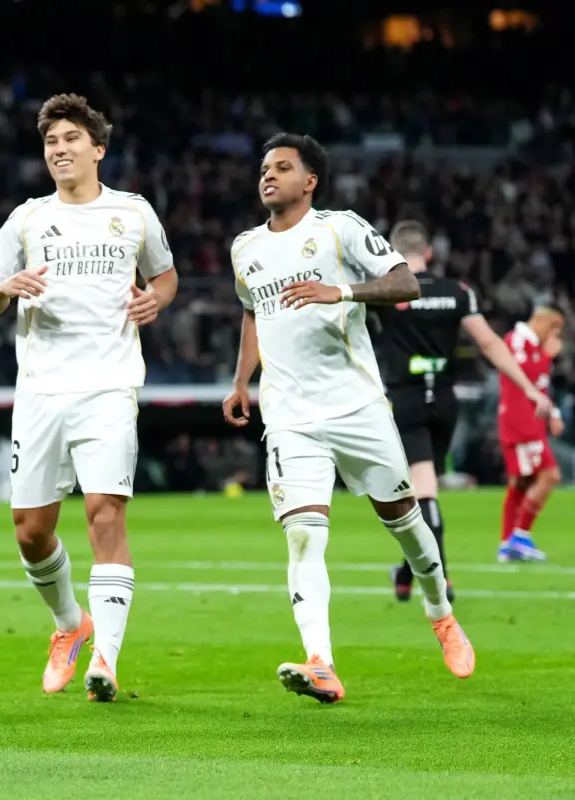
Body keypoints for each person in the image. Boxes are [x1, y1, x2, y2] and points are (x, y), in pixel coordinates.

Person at [222, 133, 475, 704]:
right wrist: (241, 381)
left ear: (309, 180)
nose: (269, 176)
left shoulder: (341, 228)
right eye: (265, 168)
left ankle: (440, 613)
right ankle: (321, 662)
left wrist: (338, 292)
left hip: (356, 406)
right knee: (304, 536)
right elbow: (251, 312)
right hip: (288, 415)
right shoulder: (245, 248)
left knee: (407, 522)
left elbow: (405, 282)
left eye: (282, 167)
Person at [0, 94, 178, 703]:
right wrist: (5, 287)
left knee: (105, 517)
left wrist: (157, 300)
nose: (58, 150)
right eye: (50, 142)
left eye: (69, 139)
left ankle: (107, 662)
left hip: (110, 385)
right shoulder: (27, 218)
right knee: (31, 530)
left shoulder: (134, 213)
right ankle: (71, 623)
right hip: (39, 389)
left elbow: (165, 275)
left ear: (98, 148)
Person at [368, 220, 554, 600]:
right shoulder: (458, 292)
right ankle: (404, 576)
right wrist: (530, 389)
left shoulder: (386, 292)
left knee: (422, 494)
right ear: (430, 253)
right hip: (446, 405)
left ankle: (442, 578)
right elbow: (488, 343)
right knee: (425, 487)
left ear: (394, 254)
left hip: (406, 402)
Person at [497, 306, 565, 562]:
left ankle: (506, 544)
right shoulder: (517, 340)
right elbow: (520, 376)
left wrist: (553, 414)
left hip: (530, 419)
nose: (555, 335)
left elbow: (539, 387)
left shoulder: (534, 345)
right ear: (545, 324)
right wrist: (545, 359)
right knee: (550, 475)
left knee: (521, 482)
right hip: (520, 420)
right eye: (555, 329)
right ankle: (521, 535)